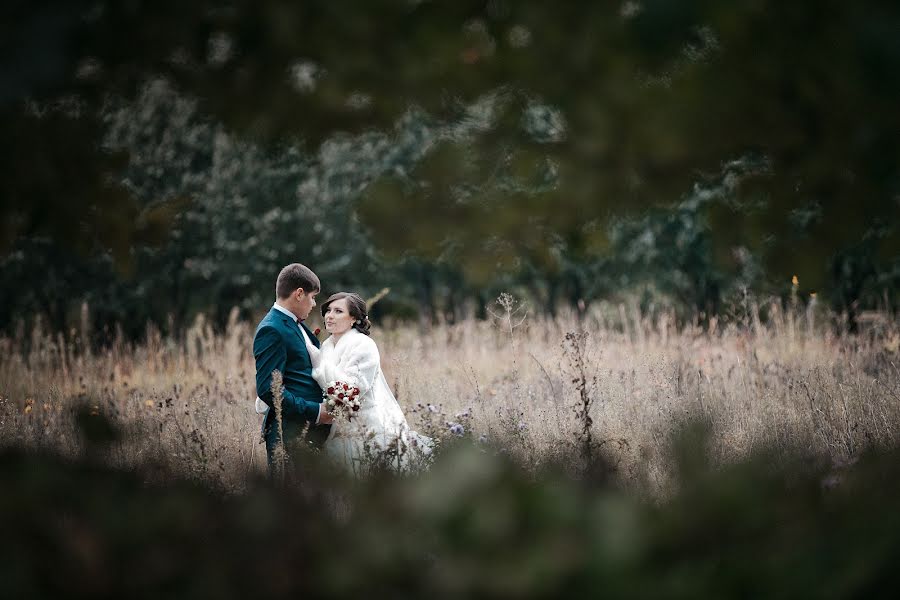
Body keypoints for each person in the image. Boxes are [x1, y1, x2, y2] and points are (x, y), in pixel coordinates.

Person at [305, 292, 432, 475]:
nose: (330, 315)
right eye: (328, 310)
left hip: (366, 427)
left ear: (353, 318)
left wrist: (319, 366)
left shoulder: (364, 345)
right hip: (334, 426)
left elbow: (351, 391)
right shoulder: (326, 346)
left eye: (338, 311)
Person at [253, 263, 333, 472]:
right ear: (299, 294)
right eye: (313, 297)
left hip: (307, 433)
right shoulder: (272, 329)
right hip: (288, 434)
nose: (314, 304)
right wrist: (316, 412)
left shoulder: (293, 323)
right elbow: (269, 389)